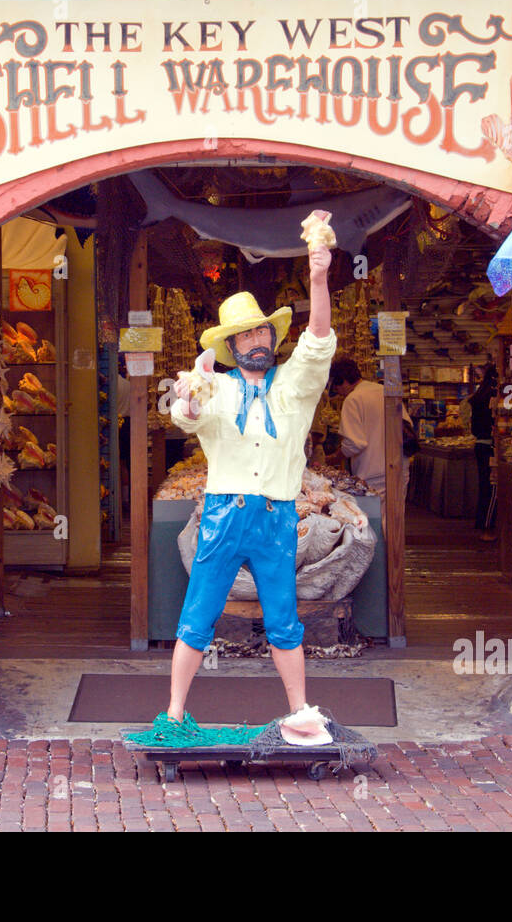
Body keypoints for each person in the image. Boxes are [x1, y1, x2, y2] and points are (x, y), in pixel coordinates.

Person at [159, 232, 335, 741]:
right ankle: (173, 714)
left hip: (277, 514)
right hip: (222, 512)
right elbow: (185, 417)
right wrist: (190, 393)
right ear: (231, 346)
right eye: (246, 336)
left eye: (263, 332)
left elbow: (319, 339)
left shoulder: (295, 385)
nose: (257, 341)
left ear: (271, 338)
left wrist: (319, 277)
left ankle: (300, 711)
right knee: (198, 613)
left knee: (284, 616)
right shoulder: (215, 385)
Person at [327, 358, 411, 502]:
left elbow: (354, 444)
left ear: (343, 381)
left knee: (375, 522)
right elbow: (407, 426)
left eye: (337, 388)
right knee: (396, 521)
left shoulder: (353, 399)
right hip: (399, 469)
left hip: (372, 475)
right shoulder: (384, 390)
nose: (339, 393)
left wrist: (334, 457)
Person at [467, 363, 499, 540]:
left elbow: (474, 428)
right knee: (492, 488)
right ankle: (488, 528)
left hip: (480, 444)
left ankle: (482, 523)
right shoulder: (492, 396)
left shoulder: (479, 397)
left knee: (485, 486)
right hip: (490, 446)